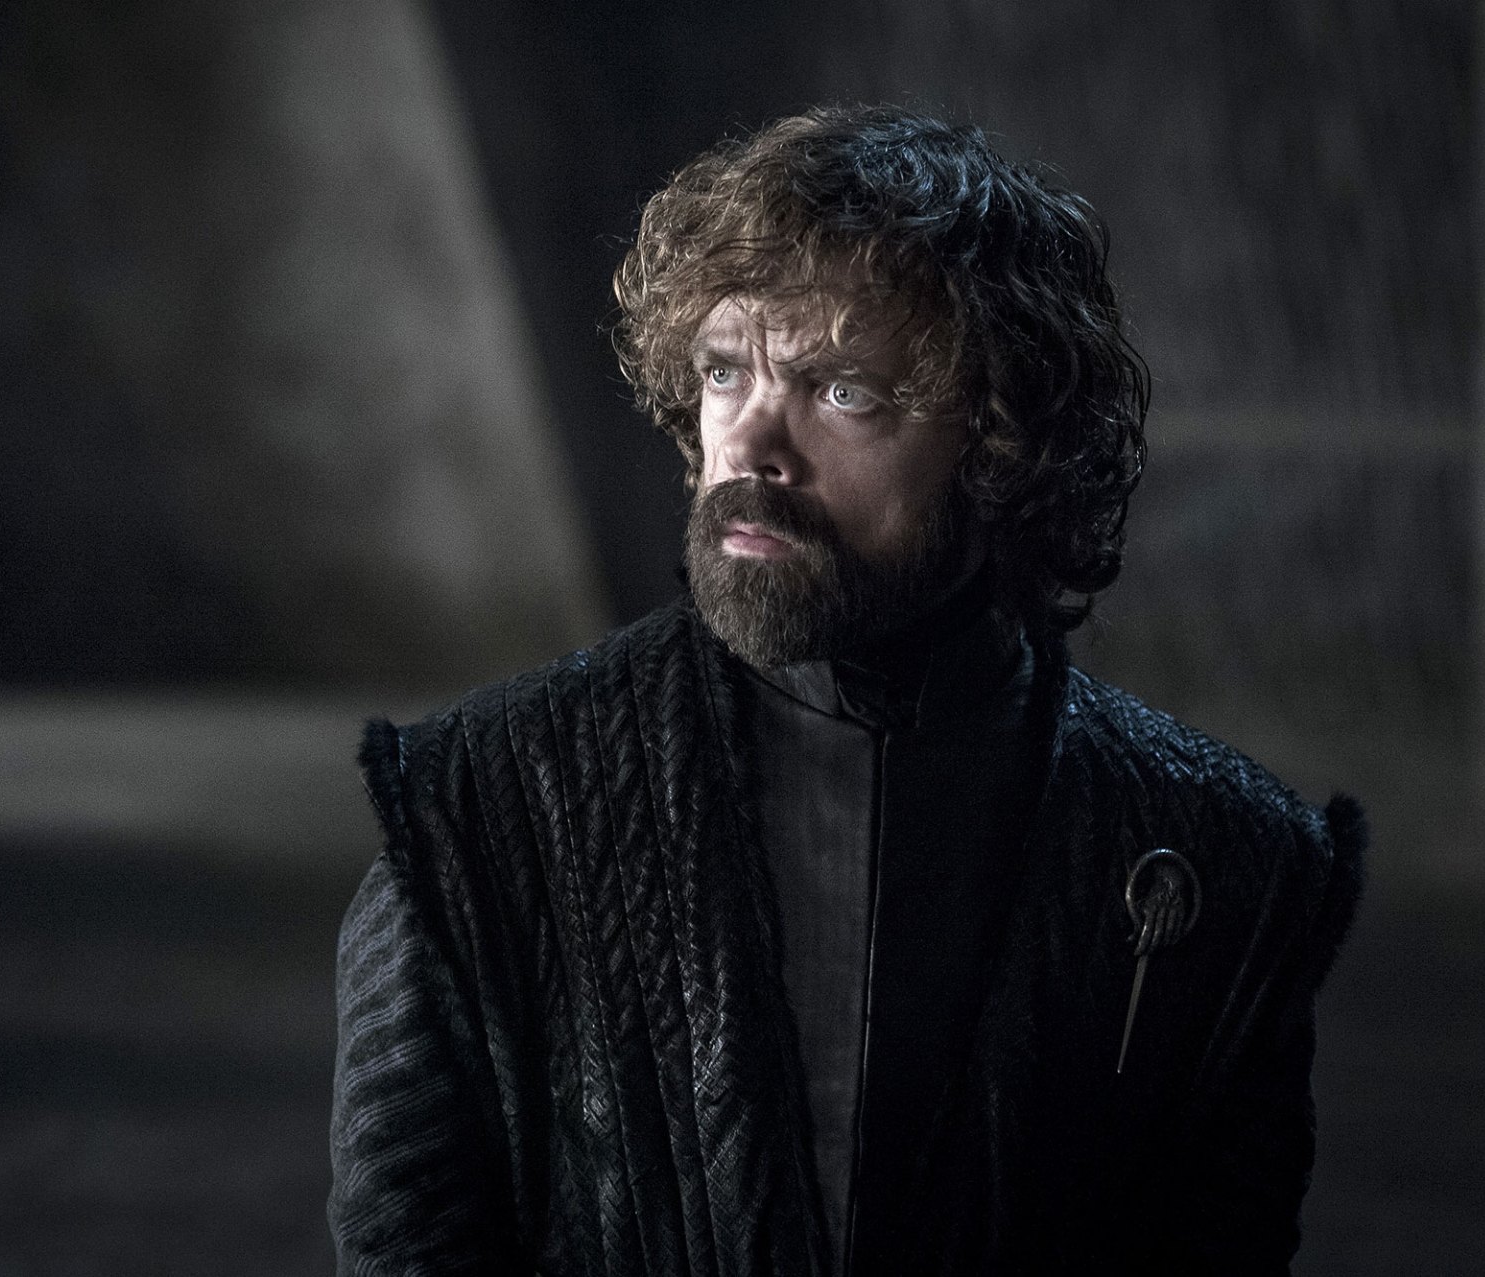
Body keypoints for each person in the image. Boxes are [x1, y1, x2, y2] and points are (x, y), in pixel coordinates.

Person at [329, 104, 1365, 1275]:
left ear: (1001, 436)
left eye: (841, 391)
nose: (750, 444)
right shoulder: (477, 804)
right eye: (724, 371)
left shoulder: (1219, 856)